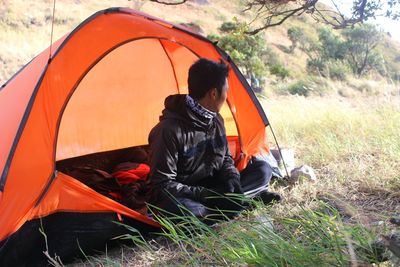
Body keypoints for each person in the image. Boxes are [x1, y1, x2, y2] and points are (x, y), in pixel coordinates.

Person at [147, 58, 280, 222]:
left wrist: (232, 178)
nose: (227, 95)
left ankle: (232, 204)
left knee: (263, 169)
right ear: (214, 93)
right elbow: (162, 185)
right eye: (226, 90)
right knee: (188, 210)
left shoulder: (216, 120)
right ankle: (235, 205)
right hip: (187, 194)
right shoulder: (168, 131)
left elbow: (225, 159)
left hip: (214, 186)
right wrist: (208, 195)